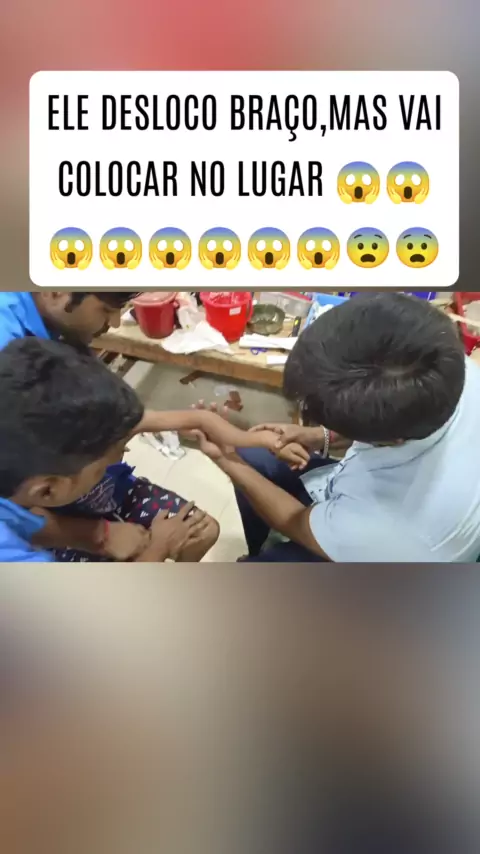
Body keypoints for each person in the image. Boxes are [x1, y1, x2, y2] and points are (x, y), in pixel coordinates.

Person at [0, 292, 290, 561]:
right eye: (106, 309)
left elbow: (116, 421)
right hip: (66, 523)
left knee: (202, 530)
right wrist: (143, 545)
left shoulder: (47, 358)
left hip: (85, 497)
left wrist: (232, 432)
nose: (115, 322)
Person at [193, 293, 480, 562]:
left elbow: (296, 523)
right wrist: (318, 436)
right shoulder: (441, 361)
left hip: (381, 568)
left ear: (390, 439)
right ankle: (258, 548)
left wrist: (226, 460)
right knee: (253, 455)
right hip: (361, 501)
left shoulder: (394, 525)